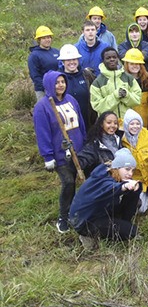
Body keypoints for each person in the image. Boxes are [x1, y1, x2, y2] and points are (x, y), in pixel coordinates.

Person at [33, 71, 86, 233]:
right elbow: (42, 133)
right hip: (59, 153)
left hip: (77, 150)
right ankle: (63, 216)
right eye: (57, 82)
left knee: (79, 180)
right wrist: (48, 156)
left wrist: (84, 142)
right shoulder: (42, 107)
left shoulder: (71, 100)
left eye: (63, 81)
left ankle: (76, 211)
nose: (60, 85)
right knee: (68, 182)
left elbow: (80, 124)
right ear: (49, 84)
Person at [69, 148, 141, 250]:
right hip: (85, 221)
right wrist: (124, 187)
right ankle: (88, 236)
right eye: (127, 169)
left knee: (135, 197)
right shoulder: (101, 179)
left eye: (132, 170)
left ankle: (123, 224)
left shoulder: (114, 175)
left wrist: (136, 188)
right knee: (132, 232)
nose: (130, 174)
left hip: (101, 213)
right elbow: (108, 189)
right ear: (117, 167)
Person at [121, 109, 148, 213]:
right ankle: (143, 195)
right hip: (136, 177)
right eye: (132, 124)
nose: (135, 126)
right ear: (127, 125)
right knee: (141, 210)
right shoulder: (122, 141)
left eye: (138, 123)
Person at [90, 47, 141, 122]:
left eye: (114, 57)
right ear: (103, 61)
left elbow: (137, 100)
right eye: (108, 58)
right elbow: (98, 106)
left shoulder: (128, 78)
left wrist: (126, 95)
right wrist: (115, 96)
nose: (112, 59)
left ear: (118, 59)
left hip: (127, 123)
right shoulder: (97, 83)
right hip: (108, 125)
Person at [58, 43, 95, 130]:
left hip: (88, 122)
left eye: (74, 59)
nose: (71, 62)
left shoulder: (87, 75)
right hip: (67, 124)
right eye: (68, 60)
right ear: (63, 62)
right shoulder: (58, 78)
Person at [122, 48, 148, 133]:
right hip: (130, 115)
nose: (135, 66)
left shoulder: (147, 79)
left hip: (147, 115)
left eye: (137, 64)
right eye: (132, 63)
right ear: (127, 64)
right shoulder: (122, 80)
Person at [76, 111, 123, 178]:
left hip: (118, 180)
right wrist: (70, 157)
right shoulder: (94, 144)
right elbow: (80, 163)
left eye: (115, 123)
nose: (112, 125)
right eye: (109, 123)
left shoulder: (119, 140)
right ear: (101, 124)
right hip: (101, 181)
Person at [28, 25, 60, 100]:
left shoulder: (57, 52)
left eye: (48, 37)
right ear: (39, 40)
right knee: (45, 110)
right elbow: (35, 76)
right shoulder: (34, 55)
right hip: (43, 91)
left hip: (59, 88)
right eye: (44, 38)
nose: (47, 40)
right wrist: (47, 87)